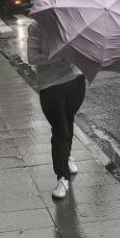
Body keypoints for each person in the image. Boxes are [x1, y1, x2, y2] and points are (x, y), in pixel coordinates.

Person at [27, 19, 86, 200]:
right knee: (60, 130)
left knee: (68, 122)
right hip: (50, 86)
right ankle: (62, 177)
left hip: (74, 81)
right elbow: (32, 57)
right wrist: (59, 55)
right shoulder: (36, 27)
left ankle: (66, 156)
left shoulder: (73, 24)